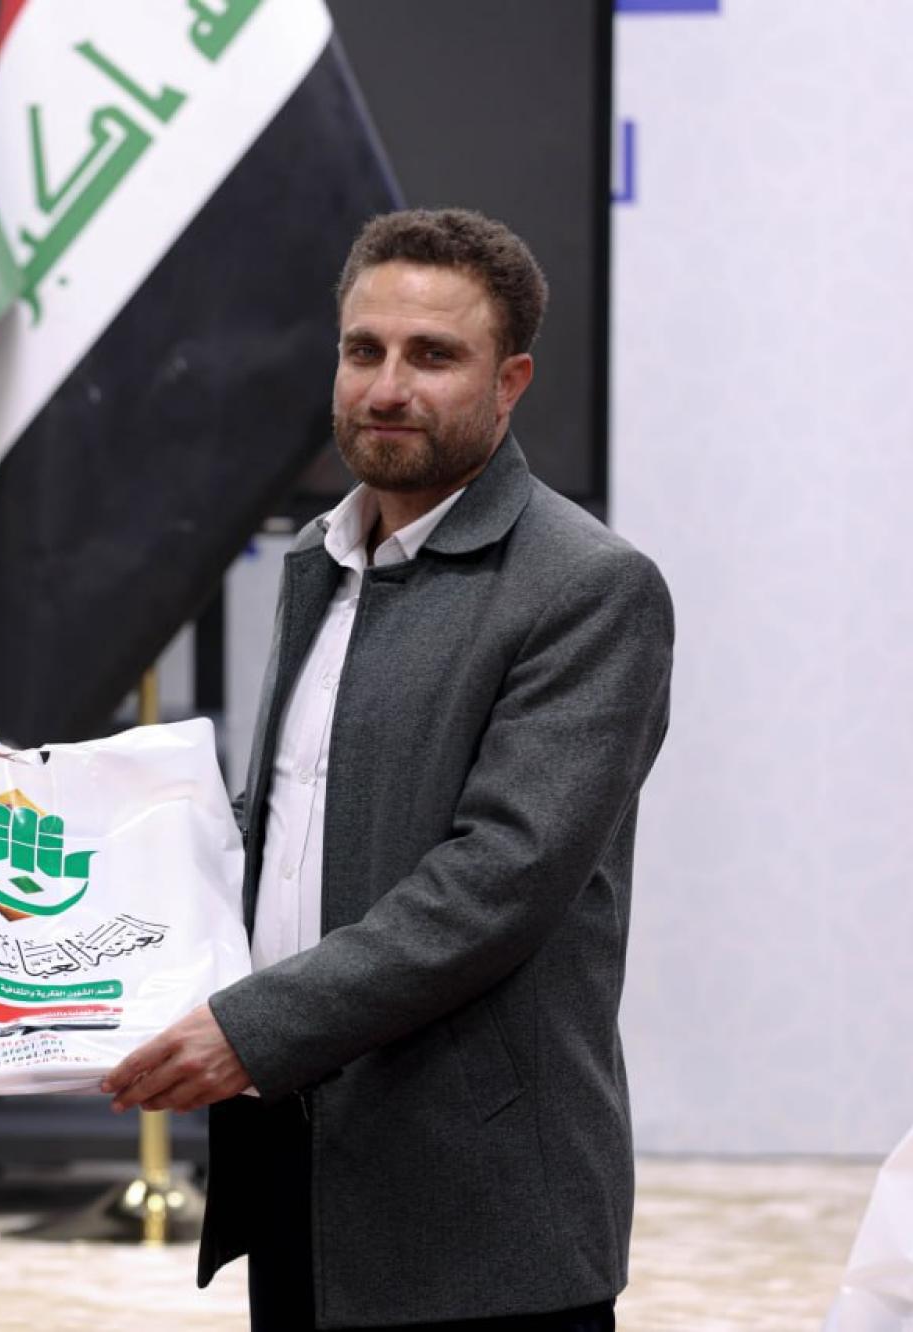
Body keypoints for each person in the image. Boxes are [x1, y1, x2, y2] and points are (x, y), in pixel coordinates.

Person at [102, 208, 673, 1330]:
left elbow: (495, 884)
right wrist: (73, 825)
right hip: (297, 1160)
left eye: (433, 356)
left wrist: (251, 1028)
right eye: (363, 350)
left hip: (479, 1205)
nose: (387, 387)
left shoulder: (589, 587)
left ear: (509, 383)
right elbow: (289, 823)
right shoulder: (319, 557)